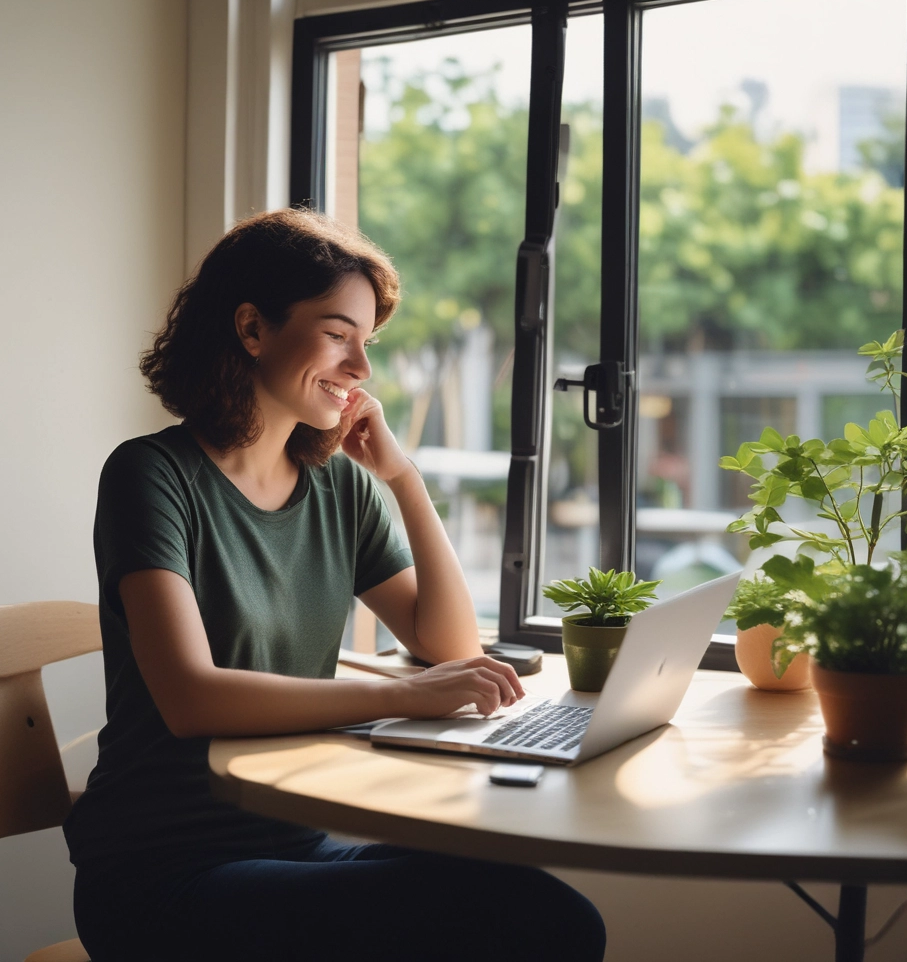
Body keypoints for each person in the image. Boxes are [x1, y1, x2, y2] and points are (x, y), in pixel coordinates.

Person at [63, 209, 606, 961]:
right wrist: (398, 696)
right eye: (337, 333)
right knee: (523, 923)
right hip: (164, 873)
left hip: (294, 842)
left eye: (366, 342)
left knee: (550, 909)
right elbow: (190, 699)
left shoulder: (338, 489)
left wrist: (403, 478)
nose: (361, 368)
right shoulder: (151, 476)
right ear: (252, 329)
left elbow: (447, 645)